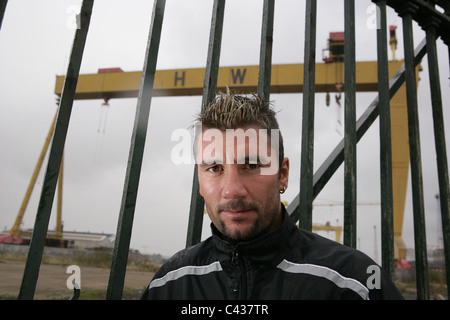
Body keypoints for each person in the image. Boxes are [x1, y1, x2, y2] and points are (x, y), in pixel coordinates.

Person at [141, 90, 404, 300]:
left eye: (252, 165)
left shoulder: (354, 284)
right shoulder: (170, 283)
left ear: (283, 174)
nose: (232, 189)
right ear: (199, 179)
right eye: (215, 168)